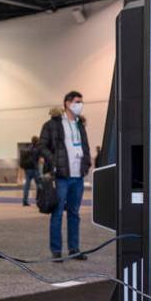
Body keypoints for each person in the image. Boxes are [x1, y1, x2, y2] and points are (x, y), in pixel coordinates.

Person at [38, 90, 91, 261]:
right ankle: (56, 251)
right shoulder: (52, 125)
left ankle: (74, 249)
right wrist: (54, 162)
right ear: (67, 103)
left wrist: (87, 163)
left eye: (81, 102)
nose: (80, 105)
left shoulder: (80, 125)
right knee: (58, 213)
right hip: (61, 176)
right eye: (77, 102)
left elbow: (86, 146)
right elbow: (42, 146)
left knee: (74, 213)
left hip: (78, 176)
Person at [20, 135, 40, 207]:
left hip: (27, 169)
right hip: (35, 169)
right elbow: (39, 159)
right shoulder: (37, 149)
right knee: (39, 185)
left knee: (26, 186)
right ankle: (39, 200)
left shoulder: (27, 148)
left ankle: (25, 201)